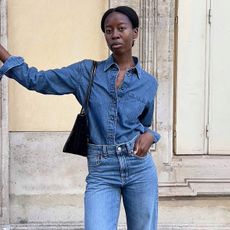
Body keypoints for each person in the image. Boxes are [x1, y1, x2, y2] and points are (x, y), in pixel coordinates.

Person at [0, 5, 160, 230]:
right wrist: (2, 53)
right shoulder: (86, 72)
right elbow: (37, 80)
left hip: (139, 169)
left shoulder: (149, 83)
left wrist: (151, 135)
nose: (114, 34)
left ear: (134, 33)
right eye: (108, 30)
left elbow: (144, 124)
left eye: (121, 28)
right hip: (102, 170)